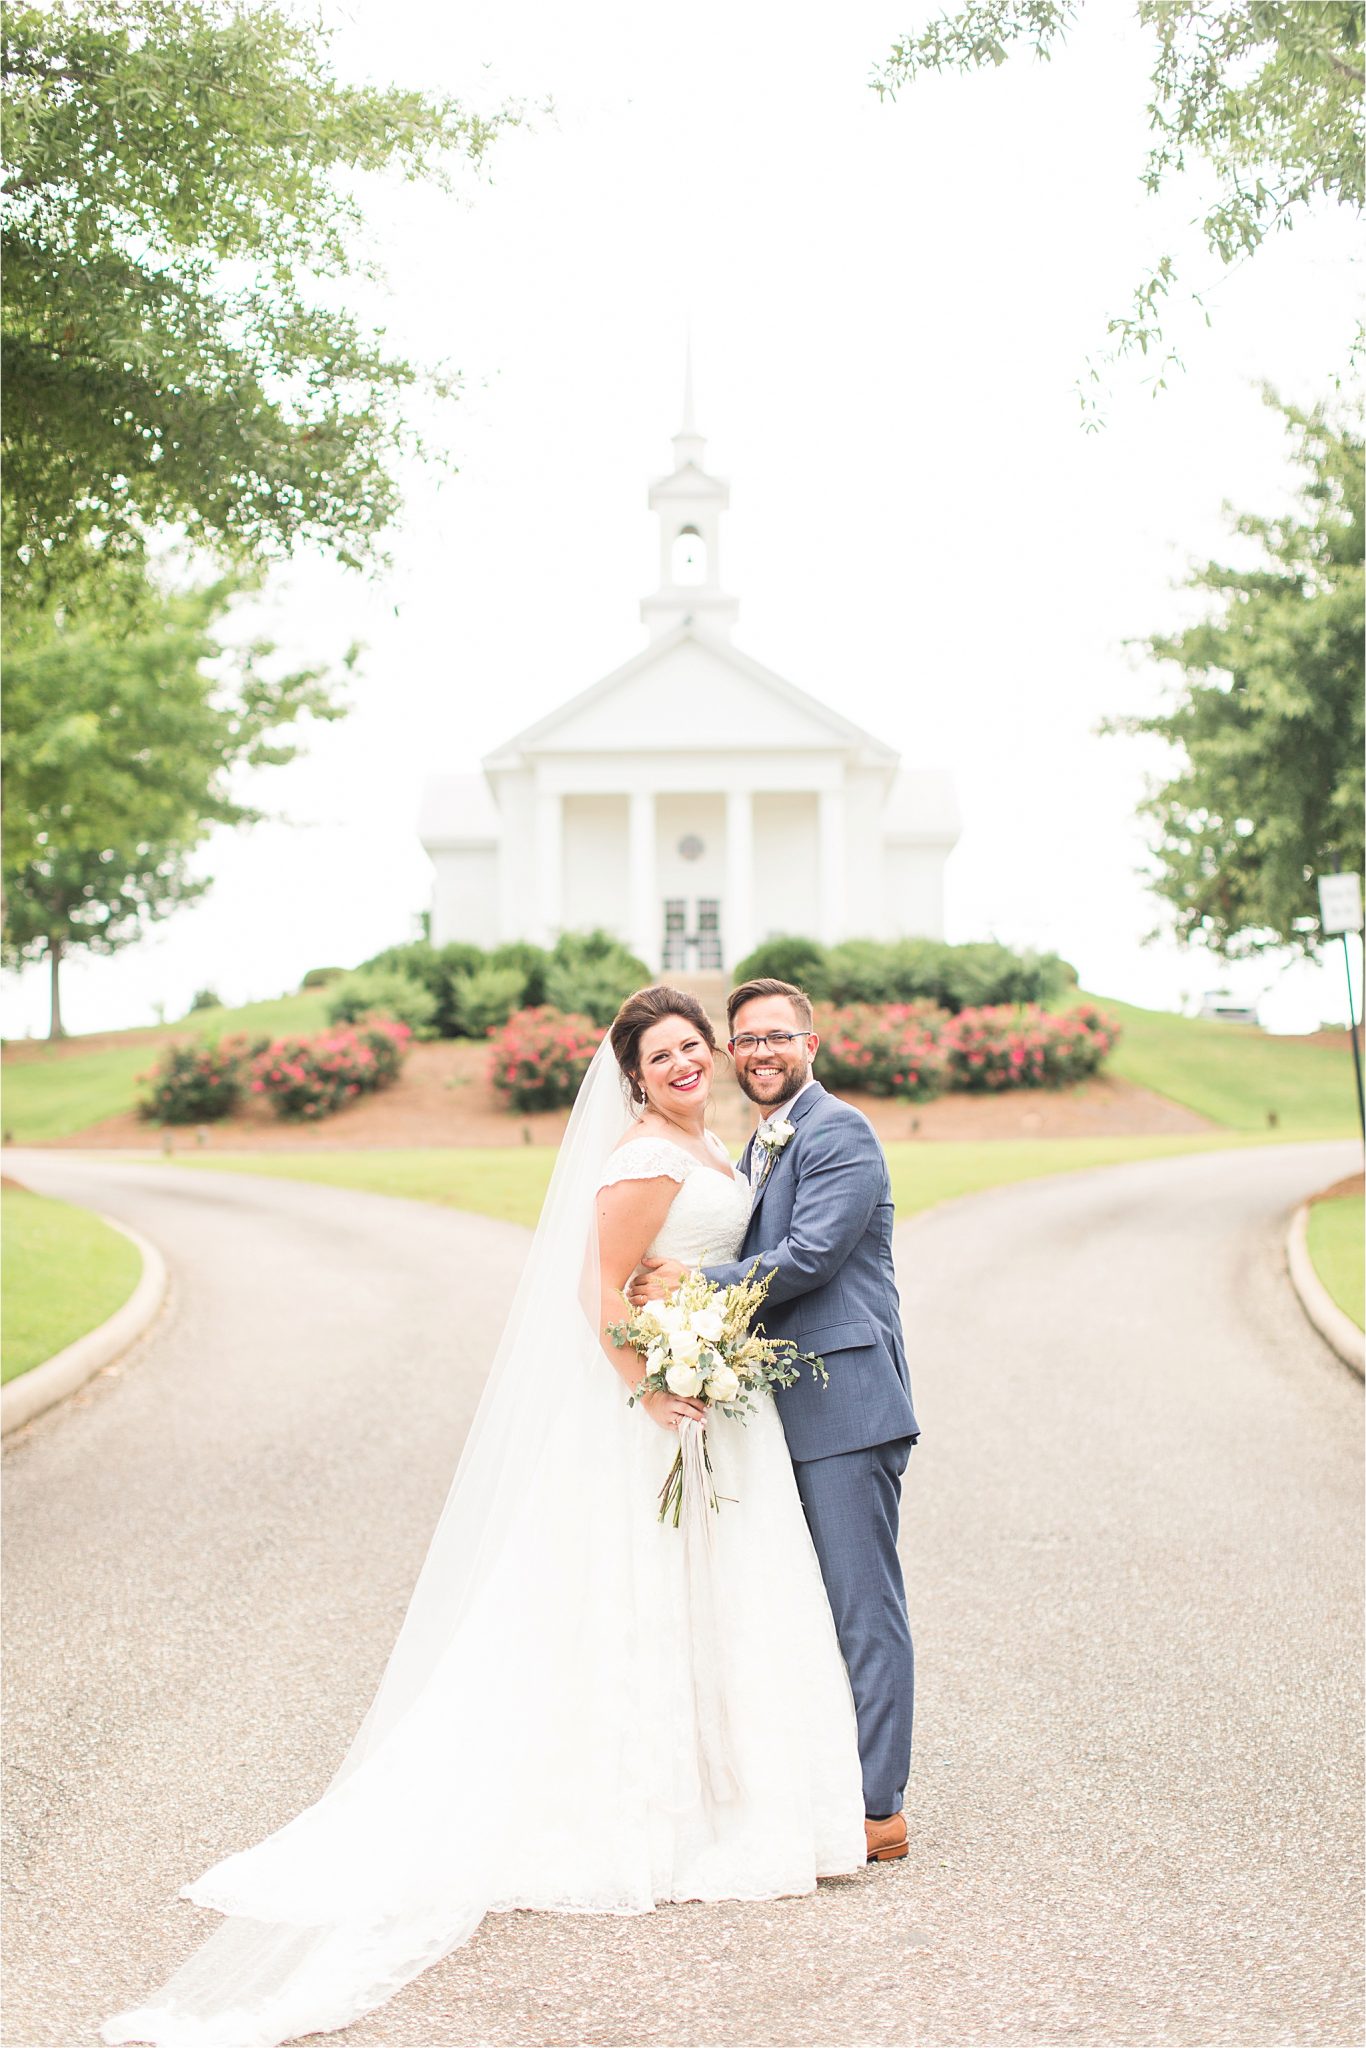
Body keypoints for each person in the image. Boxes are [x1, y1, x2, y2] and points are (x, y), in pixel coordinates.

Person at [100, 985, 869, 2048]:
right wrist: (648, 1387)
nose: (688, 1063)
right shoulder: (645, 1155)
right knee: (629, 1596)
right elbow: (598, 1288)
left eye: (697, 1045)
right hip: (654, 1409)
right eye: (664, 1055)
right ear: (634, 1076)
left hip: (715, 1401)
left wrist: (699, 1344)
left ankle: (717, 1784)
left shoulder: (712, 1145)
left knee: (713, 1595)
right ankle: (651, 1802)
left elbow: (688, 1272)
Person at [627, 976, 918, 1857]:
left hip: (844, 1404)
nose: (759, 1053)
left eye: (776, 1037)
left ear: (810, 1044)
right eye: (745, 1040)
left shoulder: (840, 1132)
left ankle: (877, 1811)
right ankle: (815, 1783)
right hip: (772, 1409)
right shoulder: (755, 1146)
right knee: (794, 1604)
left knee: (861, 1607)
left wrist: (686, 1282)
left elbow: (808, 1259)